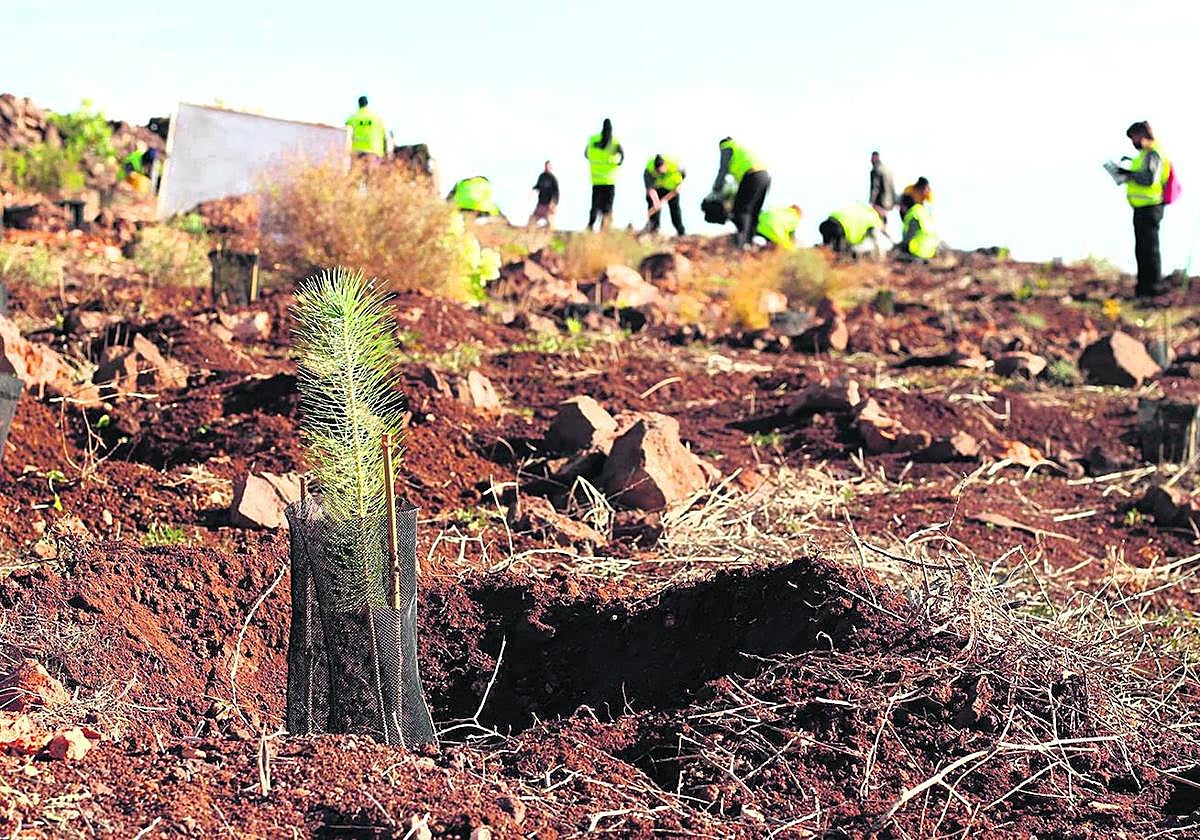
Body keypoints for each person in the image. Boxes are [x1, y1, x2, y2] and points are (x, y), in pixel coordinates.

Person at [1111, 121, 1173, 297]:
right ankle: (1145, 287)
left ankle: (1152, 288)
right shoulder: (1146, 154)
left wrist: (1128, 174)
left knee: (1149, 249)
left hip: (1151, 207)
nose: (1134, 142)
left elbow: (1149, 179)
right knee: (1143, 248)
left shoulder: (1153, 154)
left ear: (1142, 135)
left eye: (1134, 138)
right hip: (1142, 207)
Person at [710, 137, 770, 247]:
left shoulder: (727, 146)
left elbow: (723, 169)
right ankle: (749, 242)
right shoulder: (741, 150)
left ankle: (741, 244)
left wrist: (715, 190)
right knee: (754, 212)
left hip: (751, 176)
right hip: (764, 176)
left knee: (741, 210)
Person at [585, 119, 624, 231]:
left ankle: (590, 226)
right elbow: (622, 158)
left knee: (595, 206)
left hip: (596, 180)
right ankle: (604, 228)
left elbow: (586, 154)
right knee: (607, 208)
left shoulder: (593, 140)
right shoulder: (615, 142)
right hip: (610, 181)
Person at [819, 204, 887, 257]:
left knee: (826, 249)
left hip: (826, 224)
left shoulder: (864, 209)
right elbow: (878, 243)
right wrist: (881, 258)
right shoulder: (875, 220)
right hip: (839, 229)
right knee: (839, 255)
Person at [644, 154, 686, 235]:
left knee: (675, 209)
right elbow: (650, 189)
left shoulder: (675, 165)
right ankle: (653, 229)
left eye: (662, 171)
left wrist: (679, 186)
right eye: (658, 172)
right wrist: (656, 202)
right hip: (657, 189)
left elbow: (684, 175)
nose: (661, 173)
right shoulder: (649, 170)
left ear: (665, 165)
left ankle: (681, 232)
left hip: (672, 189)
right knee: (652, 203)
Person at [894, 194, 939, 261]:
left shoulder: (913, 215)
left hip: (919, 251)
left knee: (896, 256)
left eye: (900, 207)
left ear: (904, 205)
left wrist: (897, 247)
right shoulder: (921, 211)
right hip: (930, 251)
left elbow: (909, 237)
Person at [528, 161, 559, 229]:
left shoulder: (553, 178)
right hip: (541, 203)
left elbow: (556, 192)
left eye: (549, 166)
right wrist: (532, 190)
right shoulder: (542, 176)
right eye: (546, 166)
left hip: (549, 205)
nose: (547, 167)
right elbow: (538, 186)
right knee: (532, 220)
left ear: (551, 168)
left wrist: (554, 203)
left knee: (550, 223)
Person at [869, 151, 896, 219]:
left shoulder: (876, 170)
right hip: (889, 203)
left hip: (880, 204)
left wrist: (871, 202)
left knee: (878, 224)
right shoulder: (887, 169)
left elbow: (875, 187)